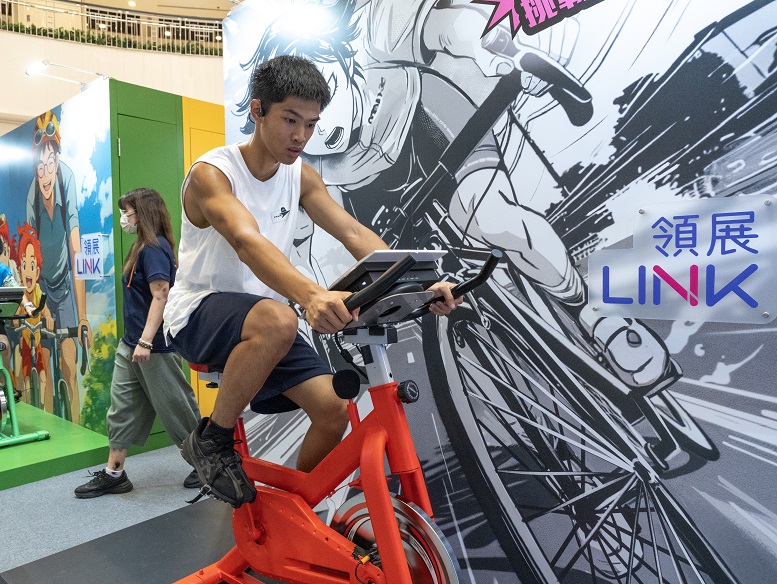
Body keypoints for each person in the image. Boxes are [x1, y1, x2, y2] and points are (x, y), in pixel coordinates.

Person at [164, 55, 460, 508]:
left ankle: (296, 512)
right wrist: (311, 297)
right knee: (280, 318)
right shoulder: (213, 174)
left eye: (310, 124)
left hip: (264, 321)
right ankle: (213, 439)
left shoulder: (301, 175)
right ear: (257, 110)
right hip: (199, 312)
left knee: (333, 410)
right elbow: (246, 240)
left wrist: (416, 283)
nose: (301, 136)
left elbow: (353, 233)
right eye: (290, 120)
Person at [74, 188, 201, 499]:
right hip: (131, 344)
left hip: (153, 346)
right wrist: (135, 342)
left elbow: (161, 295)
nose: (123, 218)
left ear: (142, 213)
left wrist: (145, 341)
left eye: (127, 212)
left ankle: (209, 463)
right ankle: (114, 473)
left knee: (177, 410)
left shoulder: (155, 249)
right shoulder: (140, 247)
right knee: (121, 409)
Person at [27, 111, 92, 422]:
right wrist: (39, 309)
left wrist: (83, 316)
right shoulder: (32, 195)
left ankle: (77, 430)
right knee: (45, 374)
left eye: (51, 163)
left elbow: (76, 251)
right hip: (43, 288)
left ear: (57, 160)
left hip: (65, 286)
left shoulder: (67, 182)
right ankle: (52, 431)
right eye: (40, 167)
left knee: (69, 361)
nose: (46, 174)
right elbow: (29, 262)